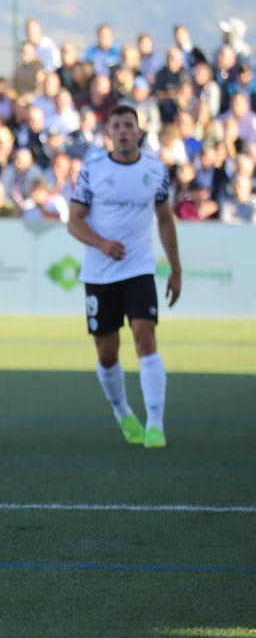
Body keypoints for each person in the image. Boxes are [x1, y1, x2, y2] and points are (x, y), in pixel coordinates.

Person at [67, 105, 182, 449]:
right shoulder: (93, 170)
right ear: (108, 133)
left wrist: (176, 268)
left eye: (128, 125)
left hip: (139, 267)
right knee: (107, 350)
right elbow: (74, 221)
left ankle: (156, 423)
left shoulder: (155, 169)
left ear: (138, 130)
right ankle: (122, 412)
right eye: (116, 125)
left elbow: (164, 219)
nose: (123, 131)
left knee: (144, 334)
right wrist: (101, 243)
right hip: (101, 273)